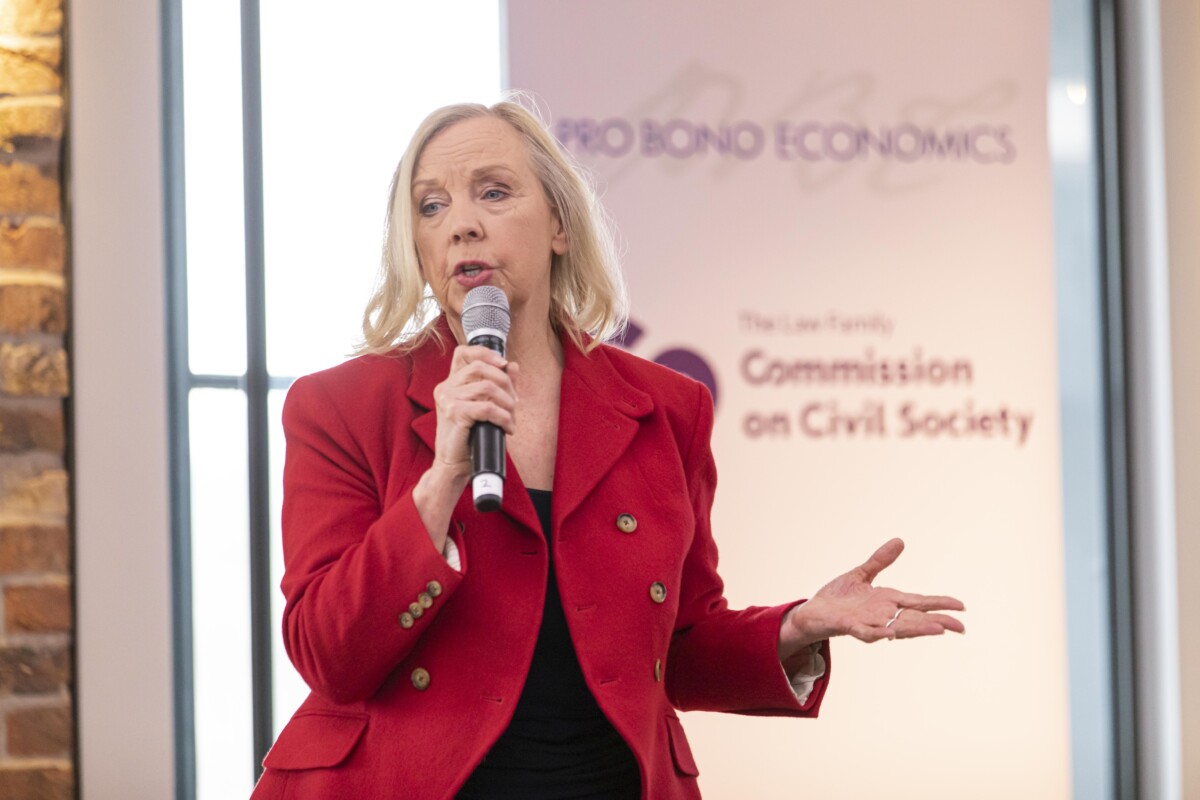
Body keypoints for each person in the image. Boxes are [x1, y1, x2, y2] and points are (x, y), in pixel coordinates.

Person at [249, 99, 965, 800]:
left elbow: (675, 649)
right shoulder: (339, 406)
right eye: (430, 207)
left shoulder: (667, 408)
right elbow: (328, 655)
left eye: (492, 193)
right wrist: (442, 480)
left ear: (559, 225)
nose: (461, 224)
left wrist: (796, 627)